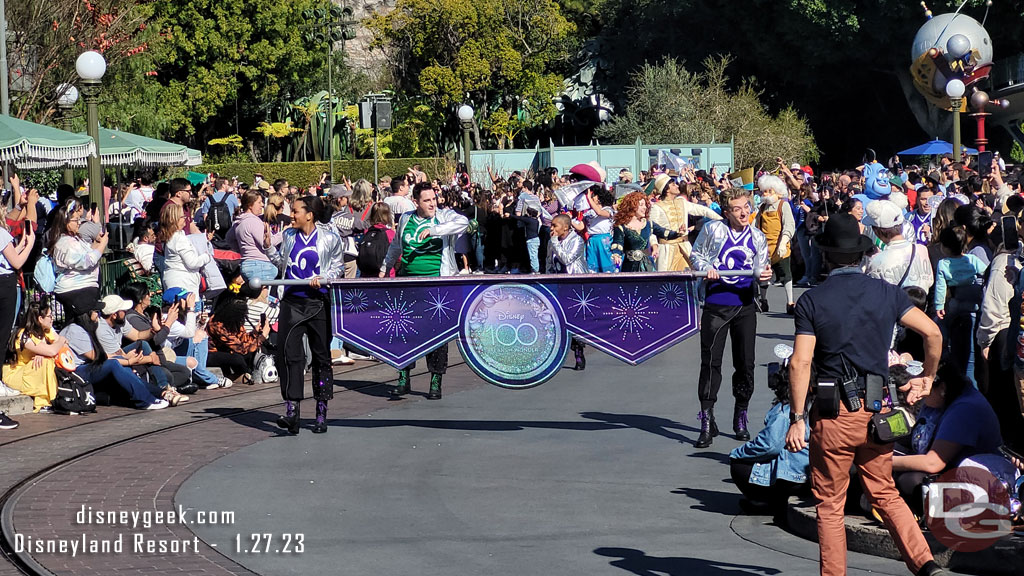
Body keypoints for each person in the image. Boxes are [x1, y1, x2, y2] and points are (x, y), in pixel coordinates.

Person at [784, 212, 947, 576]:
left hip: (834, 414)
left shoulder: (813, 301)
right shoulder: (887, 294)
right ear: (861, 256)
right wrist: (929, 377)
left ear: (825, 255)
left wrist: (796, 418)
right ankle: (925, 564)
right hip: (877, 412)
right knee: (885, 493)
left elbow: (800, 363)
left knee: (829, 505)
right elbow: (933, 335)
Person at [690, 187, 772, 448]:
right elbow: (696, 256)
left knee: (745, 363)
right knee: (711, 362)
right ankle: (706, 417)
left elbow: (763, 266)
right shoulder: (713, 230)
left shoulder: (757, 236)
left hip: (745, 306)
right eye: (737, 209)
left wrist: (765, 275)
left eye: (746, 207)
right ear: (726, 212)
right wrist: (707, 269)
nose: (744, 212)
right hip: (716, 304)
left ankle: (741, 415)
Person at [381, 182, 469, 399]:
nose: (432, 204)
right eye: (426, 200)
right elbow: (396, 246)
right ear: (416, 202)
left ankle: (435, 380)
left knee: (436, 333)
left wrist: (435, 230)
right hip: (408, 283)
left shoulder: (444, 216)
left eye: (434, 199)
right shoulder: (406, 218)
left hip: (437, 284)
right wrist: (385, 267)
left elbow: (463, 223)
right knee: (404, 331)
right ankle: (403, 377)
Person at [268, 195, 344, 434]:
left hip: (318, 302)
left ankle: (321, 411)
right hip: (292, 302)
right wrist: (269, 247)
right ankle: (292, 410)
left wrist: (323, 278)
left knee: (321, 358)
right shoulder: (289, 236)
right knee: (288, 355)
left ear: (309, 214)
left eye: (296, 211)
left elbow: (338, 267)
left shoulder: (330, 238)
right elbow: (282, 263)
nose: (291, 215)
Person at [892, 364, 1007, 515]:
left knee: (909, 481)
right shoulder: (939, 398)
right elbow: (915, 437)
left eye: (924, 388)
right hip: (946, 470)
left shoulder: (965, 409)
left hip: (974, 483)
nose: (918, 394)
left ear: (942, 388)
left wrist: (885, 462)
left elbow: (933, 463)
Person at [729, 358, 810, 513]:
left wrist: (737, 454)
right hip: (810, 470)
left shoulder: (786, 410)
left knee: (739, 465)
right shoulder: (815, 401)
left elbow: (769, 445)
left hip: (797, 475)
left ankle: (768, 501)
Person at [60, 306, 168, 410]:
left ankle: (158, 392)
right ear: (86, 315)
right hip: (75, 373)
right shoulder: (75, 331)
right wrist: (128, 361)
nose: (98, 314)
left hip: (86, 367)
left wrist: (125, 358)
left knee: (120, 366)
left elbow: (104, 355)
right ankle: (145, 400)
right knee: (114, 364)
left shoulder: (86, 328)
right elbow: (98, 357)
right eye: (95, 311)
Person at [649, 175, 722, 271]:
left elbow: (702, 210)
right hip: (667, 250)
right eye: (673, 184)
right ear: (667, 189)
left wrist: (721, 220)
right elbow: (651, 230)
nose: (677, 186)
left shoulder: (682, 202)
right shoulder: (656, 207)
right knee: (668, 281)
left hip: (685, 246)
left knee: (691, 277)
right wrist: (654, 246)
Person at [49, 198, 107, 319]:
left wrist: (98, 242)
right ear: (66, 222)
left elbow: (89, 252)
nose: (79, 222)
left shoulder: (75, 238)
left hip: (83, 288)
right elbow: (87, 261)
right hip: (75, 290)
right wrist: (102, 245)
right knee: (85, 324)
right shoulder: (65, 243)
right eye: (76, 220)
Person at [547, 214, 589, 370]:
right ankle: (557, 353)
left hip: (574, 283)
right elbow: (549, 261)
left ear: (565, 227)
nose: (552, 228)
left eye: (555, 225)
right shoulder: (552, 241)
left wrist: (554, 243)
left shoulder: (577, 240)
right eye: (551, 225)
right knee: (557, 318)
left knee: (573, 318)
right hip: (558, 283)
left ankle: (578, 350)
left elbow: (566, 259)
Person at [3, 302, 61, 412]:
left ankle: (53, 397)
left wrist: (46, 352)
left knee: (47, 360)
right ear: (40, 319)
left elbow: (63, 345)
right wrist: (60, 342)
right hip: (19, 373)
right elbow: (53, 350)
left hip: (33, 370)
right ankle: (45, 402)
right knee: (46, 361)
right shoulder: (23, 336)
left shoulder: (47, 330)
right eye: (49, 316)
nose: (52, 319)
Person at [864, 200, 934, 291]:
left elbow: (876, 293)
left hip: (894, 304)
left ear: (877, 231)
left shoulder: (876, 261)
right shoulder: (922, 250)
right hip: (920, 303)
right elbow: (929, 281)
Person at [610, 191, 682, 272]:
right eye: (641, 205)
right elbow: (618, 243)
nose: (645, 207)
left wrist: (678, 232)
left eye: (645, 205)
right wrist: (617, 255)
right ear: (632, 206)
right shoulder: (621, 227)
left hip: (647, 266)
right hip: (630, 266)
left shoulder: (648, 224)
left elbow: (664, 232)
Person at [754, 175, 796, 314]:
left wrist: (783, 242)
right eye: (763, 191)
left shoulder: (783, 205)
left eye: (768, 191)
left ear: (777, 191)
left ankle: (790, 302)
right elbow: (755, 226)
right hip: (764, 248)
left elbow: (789, 225)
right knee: (763, 275)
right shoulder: (762, 208)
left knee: (786, 275)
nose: (765, 194)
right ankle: (763, 301)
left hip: (780, 247)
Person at [227, 191, 277, 284]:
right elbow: (267, 243)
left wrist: (243, 250)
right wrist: (286, 233)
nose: (262, 205)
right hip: (260, 265)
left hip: (246, 264)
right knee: (262, 296)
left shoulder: (238, 222)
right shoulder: (253, 221)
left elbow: (229, 239)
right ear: (250, 205)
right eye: (259, 202)